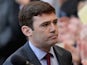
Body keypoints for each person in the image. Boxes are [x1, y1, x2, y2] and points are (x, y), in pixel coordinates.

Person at [3, 1, 73, 65]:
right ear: (27, 31)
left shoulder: (65, 55)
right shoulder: (13, 63)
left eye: (55, 22)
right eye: (45, 25)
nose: (53, 29)